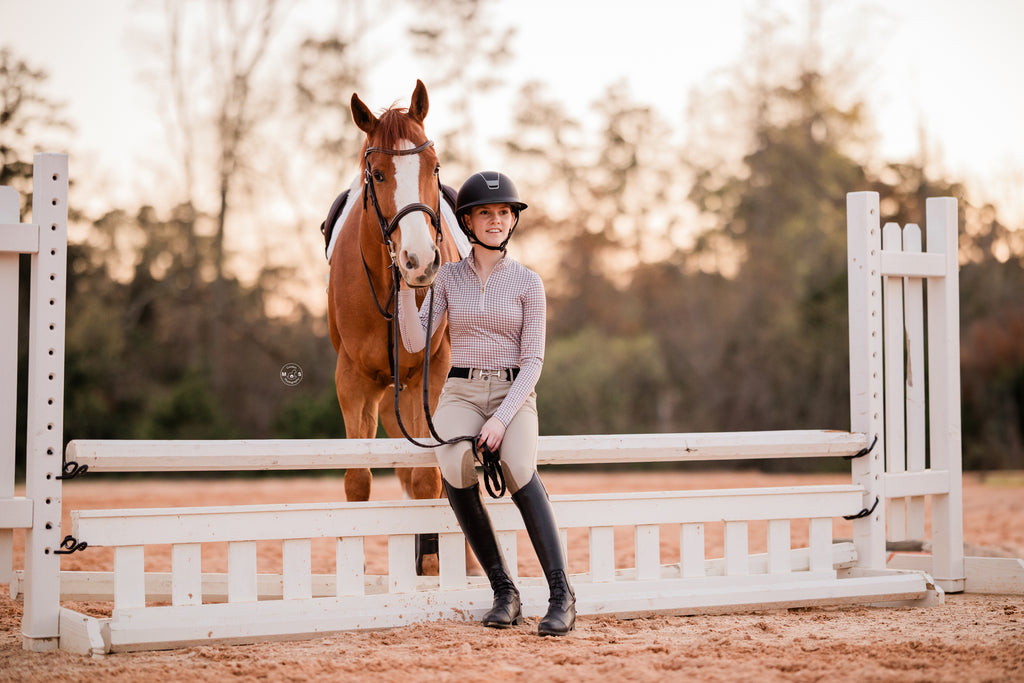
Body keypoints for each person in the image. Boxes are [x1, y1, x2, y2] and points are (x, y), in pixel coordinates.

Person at [397, 171, 575, 637]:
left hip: (513, 393)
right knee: (453, 461)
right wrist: (403, 286)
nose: (495, 220)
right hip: (460, 390)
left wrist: (500, 419)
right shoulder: (449, 278)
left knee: (517, 464)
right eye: (485, 213)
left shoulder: (528, 283)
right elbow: (415, 343)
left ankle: (561, 596)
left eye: (503, 213)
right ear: (468, 222)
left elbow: (533, 360)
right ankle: (505, 592)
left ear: (511, 220)